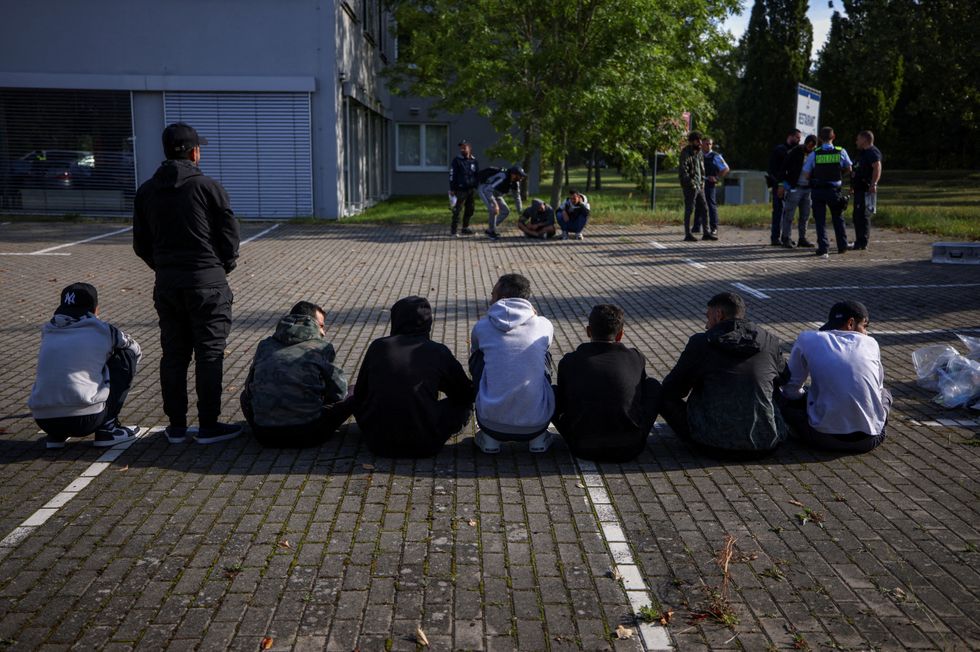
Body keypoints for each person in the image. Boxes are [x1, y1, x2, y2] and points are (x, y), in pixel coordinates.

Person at [133, 122, 242, 445]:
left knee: (174, 353)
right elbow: (229, 238)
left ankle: (177, 426)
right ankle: (208, 424)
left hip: (168, 285)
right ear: (194, 152)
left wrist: (164, 267)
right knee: (210, 353)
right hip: (207, 282)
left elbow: (141, 245)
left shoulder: (147, 191)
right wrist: (221, 266)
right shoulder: (208, 187)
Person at [658, 292, 788, 459]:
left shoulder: (702, 342)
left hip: (710, 444)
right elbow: (786, 378)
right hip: (765, 444)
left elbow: (673, 389)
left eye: (708, 317)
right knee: (776, 385)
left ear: (718, 315)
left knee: (659, 391)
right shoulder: (769, 341)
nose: (706, 325)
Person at [353, 296, 474, 457]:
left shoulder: (379, 346)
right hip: (425, 443)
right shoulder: (437, 351)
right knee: (464, 406)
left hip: (377, 442)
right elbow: (464, 393)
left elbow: (361, 392)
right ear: (428, 323)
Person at [29, 283, 143, 449]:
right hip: (86, 419)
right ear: (95, 309)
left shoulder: (47, 329)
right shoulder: (104, 330)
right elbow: (136, 351)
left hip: (44, 420)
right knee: (126, 355)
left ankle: (56, 436)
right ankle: (108, 428)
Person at [553, 304, 661, 462]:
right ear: (620, 334)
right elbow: (641, 394)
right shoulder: (635, 357)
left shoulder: (570, 360)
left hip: (582, 446)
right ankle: (633, 430)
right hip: (630, 447)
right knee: (653, 385)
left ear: (589, 331)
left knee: (552, 392)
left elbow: (562, 402)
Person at [780, 301, 891, 453]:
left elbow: (791, 389)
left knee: (784, 400)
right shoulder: (871, 343)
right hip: (869, 440)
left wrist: (802, 398)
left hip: (822, 438)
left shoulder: (807, 339)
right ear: (851, 323)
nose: (866, 333)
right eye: (865, 326)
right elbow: (877, 390)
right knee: (885, 393)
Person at [240, 302, 352, 448]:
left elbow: (249, 388)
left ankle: (270, 419)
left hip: (264, 435)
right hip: (308, 434)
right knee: (354, 392)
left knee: (244, 396)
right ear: (309, 323)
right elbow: (339, 392)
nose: (323, 332)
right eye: (321, 326)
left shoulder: (265, 345)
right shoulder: (322, 347)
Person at [470, 274, 556, 453]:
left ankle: (490, 440)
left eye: (492, 295)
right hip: (537, 423)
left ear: (501, 299)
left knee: (479, 357)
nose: (490, 299)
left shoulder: (482, 326)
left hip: (490, 422)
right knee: (542, 355)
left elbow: (475, 355)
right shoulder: (544, 325)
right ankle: (538, 440)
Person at [802, 126, 853, 257]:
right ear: (833, 137)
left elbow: (806, 174)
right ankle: (842, 246)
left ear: (820, 138)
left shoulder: (815, 153)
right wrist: (839, 173)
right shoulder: (841, 151)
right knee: (838, 218)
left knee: (820, 220)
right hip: (834, 191)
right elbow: (849, 168)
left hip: (818, 190)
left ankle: (823, 248)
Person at [777, 134, 817, 248]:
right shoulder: (796, 151)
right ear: (806, 143)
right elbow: (783, 167)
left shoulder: (815, 154)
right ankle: (786, 238)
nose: (810, 148)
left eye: (813, 146)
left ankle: (802, 238)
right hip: (795, 188)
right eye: (809, 145)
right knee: (789, 214)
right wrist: (781, 185)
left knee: (805, 215)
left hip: (808, 189)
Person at [768, 128, 802, 245]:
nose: (799, 140)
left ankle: (786, 237)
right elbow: (772, 170)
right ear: (790, 136)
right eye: (797, 137)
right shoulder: (779, 150)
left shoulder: (797, 151)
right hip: (780, 185)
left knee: (789, 213)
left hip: (792, 186)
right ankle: (775, 238)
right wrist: (780, 184)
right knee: (778, 211)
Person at [851, 130, 882, 250]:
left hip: (865, 189)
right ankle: (859, 240)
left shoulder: (872, 152)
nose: (856, 141)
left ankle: (862, 242)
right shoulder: (863, 153)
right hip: (859, 189)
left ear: (864, 139)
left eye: (858, 139)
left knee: (863, 216)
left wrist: (873, 184)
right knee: (857, 215)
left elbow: (877, 167)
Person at [477, 165, 525, 239]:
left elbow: (517, 198)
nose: (521, 178)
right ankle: (491, 232)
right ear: (513, 174)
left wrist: (520, 212)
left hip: (496, 194)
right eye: (520, 176)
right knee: (493, 209)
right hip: (485, 190)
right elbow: (488, 190)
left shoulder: (515, 183)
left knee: (505, 211)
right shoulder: (503, 177)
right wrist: (495, 204)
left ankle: (490, 229)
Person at [678, 131, 708, 242]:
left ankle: (706, 232)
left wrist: (702, 183)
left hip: (700, 185)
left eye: (700, 140)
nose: (700, 142)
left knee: (705, 208)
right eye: (697, 140)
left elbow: (702, 169)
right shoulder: (685, 153)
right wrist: (691, 183)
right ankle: (688, 234)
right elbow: (683, 170)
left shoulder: (700, 153)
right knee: (689, 209)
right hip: (690, 186)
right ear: (692, 141)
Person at [699, 137, 728, 240]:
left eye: (710, 144)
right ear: (702, 144)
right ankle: (697, 227)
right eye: (706, 144)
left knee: (711, 205)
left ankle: (714, 228)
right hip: (699, 183)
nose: (709, 146)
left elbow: (725, 168)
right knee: (698, 204)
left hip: (709, 184)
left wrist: (716, 177)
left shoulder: (715, 156)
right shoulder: (698, 155)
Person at [449, 139, 479, 236]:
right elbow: (452, 174)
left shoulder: (474, 160)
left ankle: (465, 228)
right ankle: (454, 230)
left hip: (471, 189)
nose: (462, 149)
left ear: (469, 148)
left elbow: (477, 174)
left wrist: (476, 185)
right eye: (461, 148)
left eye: (464, 147)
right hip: (460, 189)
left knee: (470, 209)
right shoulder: (457, 160)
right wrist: (452, 188)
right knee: (457, 210)